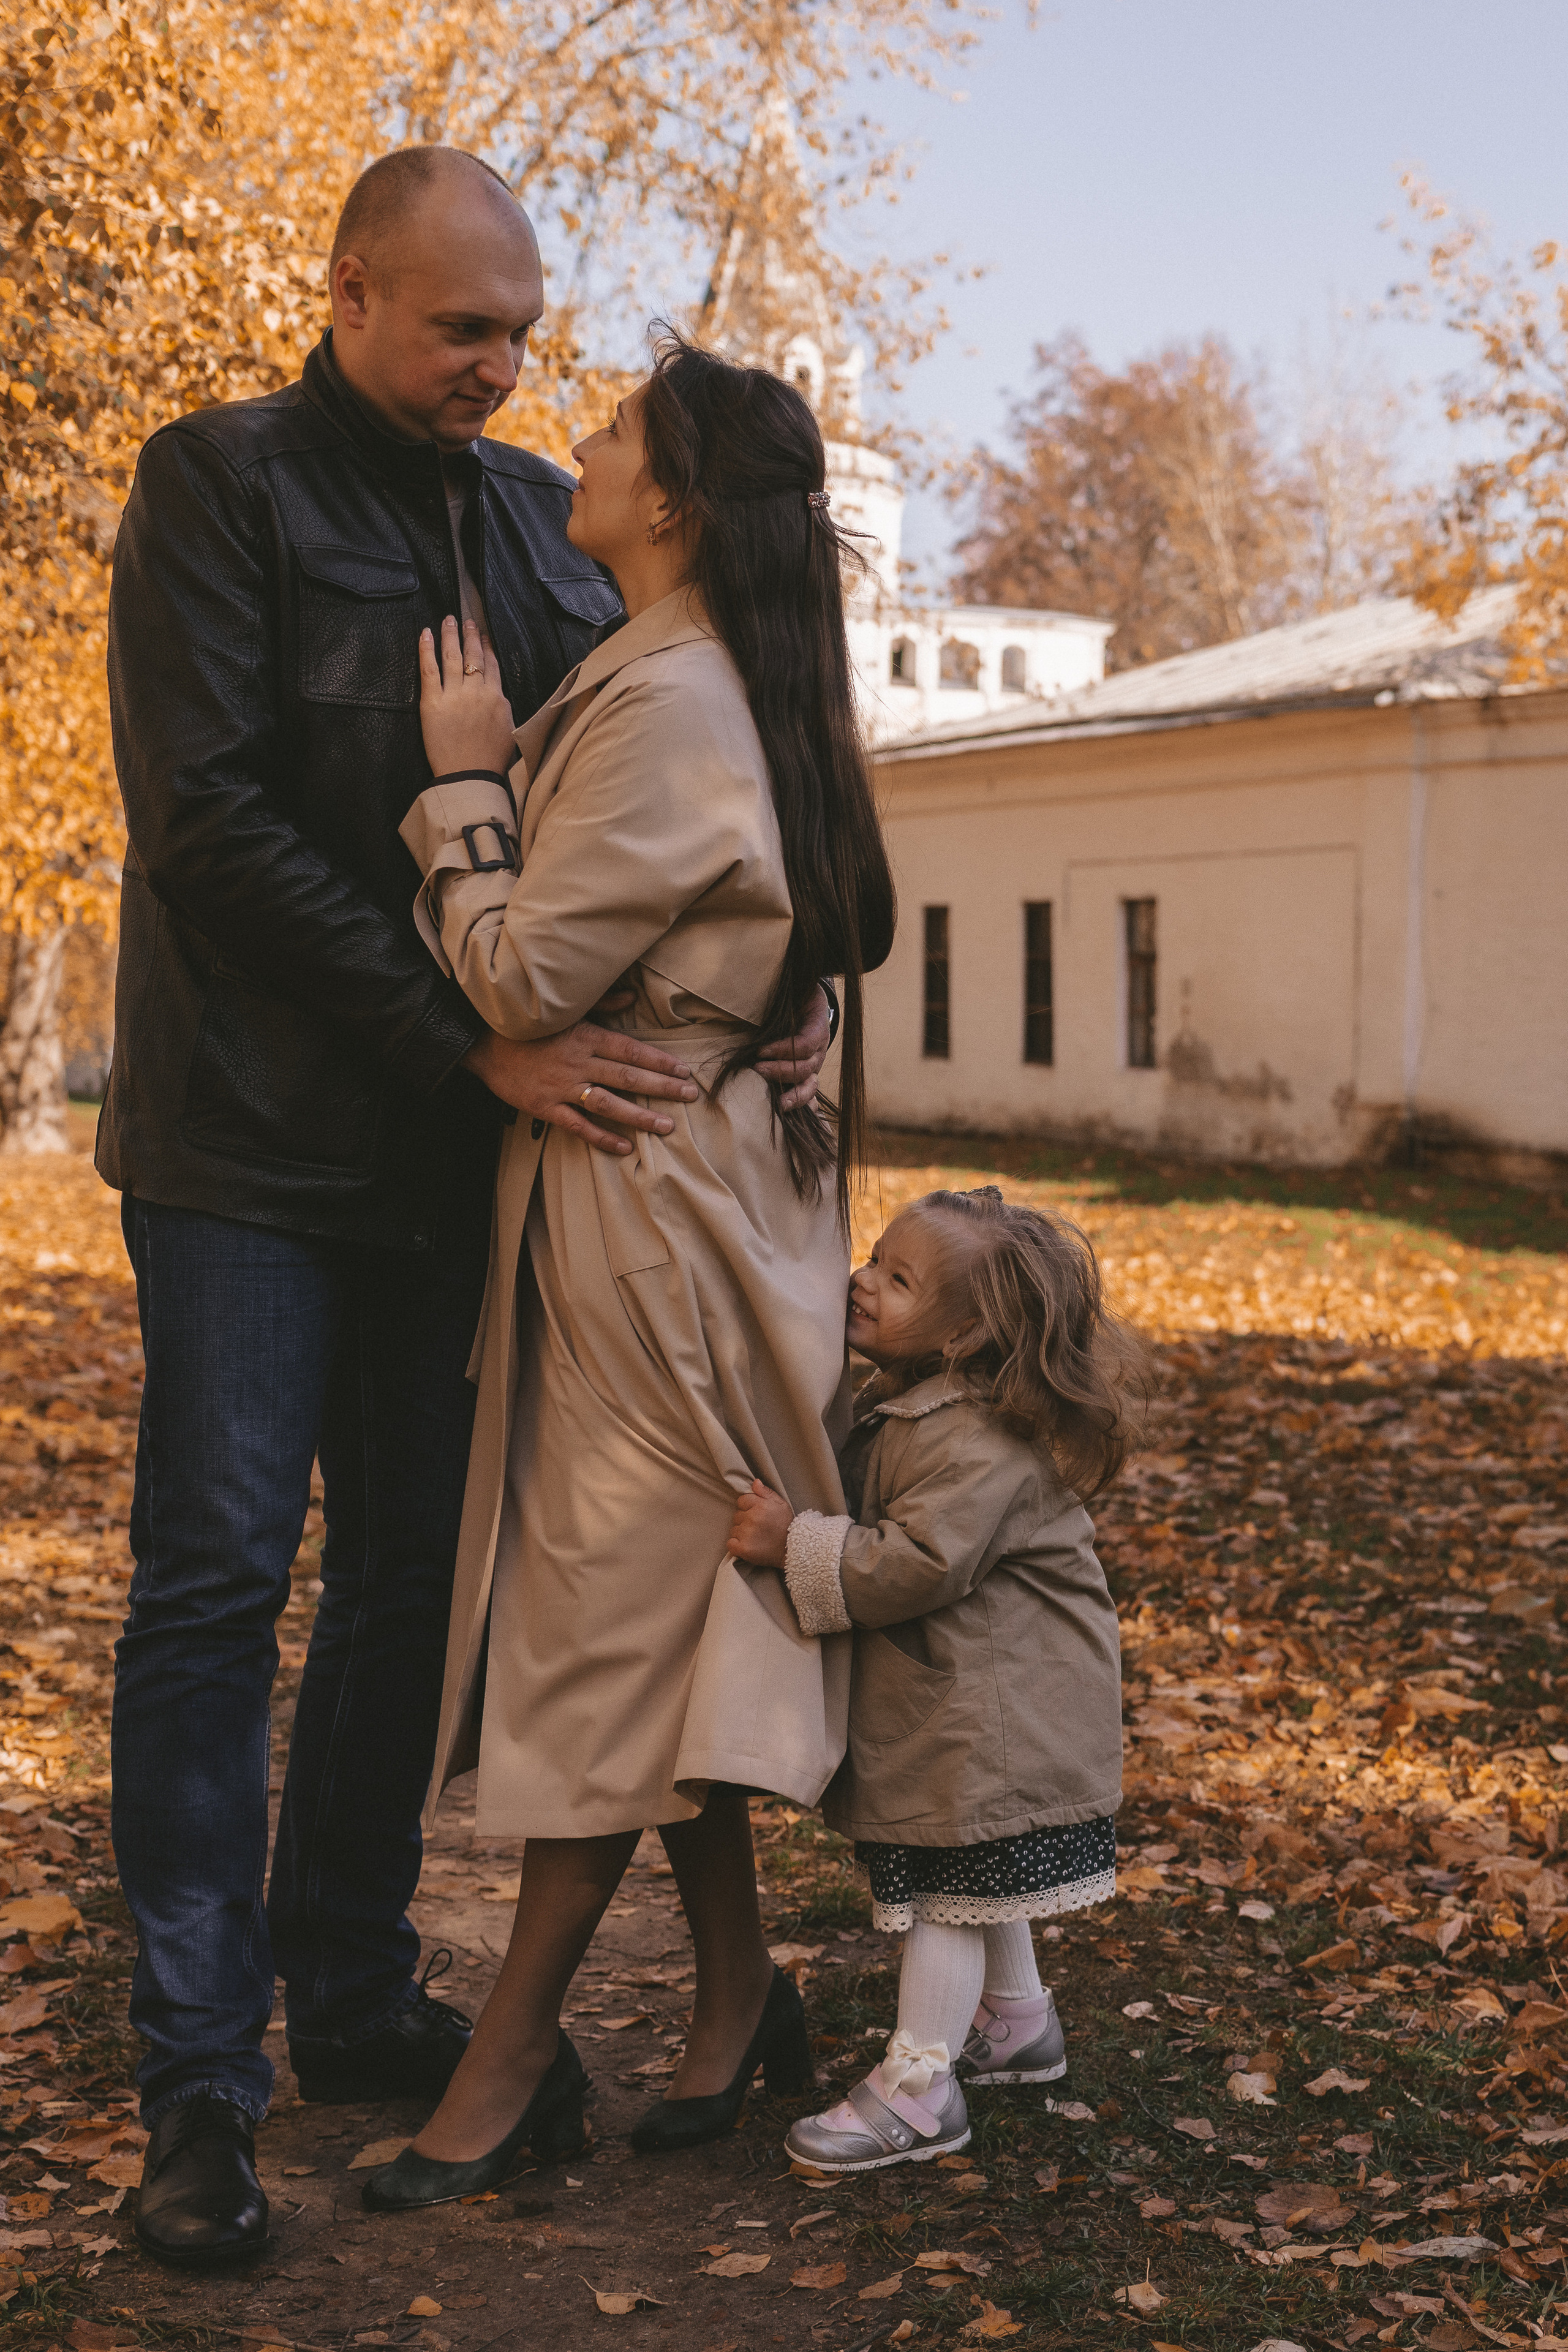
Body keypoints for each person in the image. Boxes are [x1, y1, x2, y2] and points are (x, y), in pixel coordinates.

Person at [99, 150, 831, 2267]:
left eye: (524, 333)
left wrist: (796, 987)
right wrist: (472, 1045)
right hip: (247, 1146)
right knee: (219, 1583)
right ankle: (198, 2078)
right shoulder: (217, 482)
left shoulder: (543, 523)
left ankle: (347, 1989)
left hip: (472, 1178)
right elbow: (206, 826)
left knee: (415, 1594)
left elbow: (704, 764)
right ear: (350, 294)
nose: (504, 369)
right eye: (462, 332)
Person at [358, 331, 897, 2212]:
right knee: (684, 1615)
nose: (568, 438)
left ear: (667, 501)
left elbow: (517, 978)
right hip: (695, 1189)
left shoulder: (671, 701)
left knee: (606, 1633)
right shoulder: (704, 673)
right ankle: (744, 1998)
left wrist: (462, 787)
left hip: (639, 1208)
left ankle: (503, 2071)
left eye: (607, 430)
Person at [726, 1185, 1139, 2173]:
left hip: (1000, 1718)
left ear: (962, 1337)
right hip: (978, 1702)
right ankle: (1021, 2022)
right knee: (977, 1874)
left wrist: (797, 1542)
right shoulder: (927, 1405)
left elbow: (918, 1564)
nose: (863, 1280)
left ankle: (919, 2092)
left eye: (898, 1279)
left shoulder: (974, 1438)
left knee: (952, 1897)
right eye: (874, 1257)